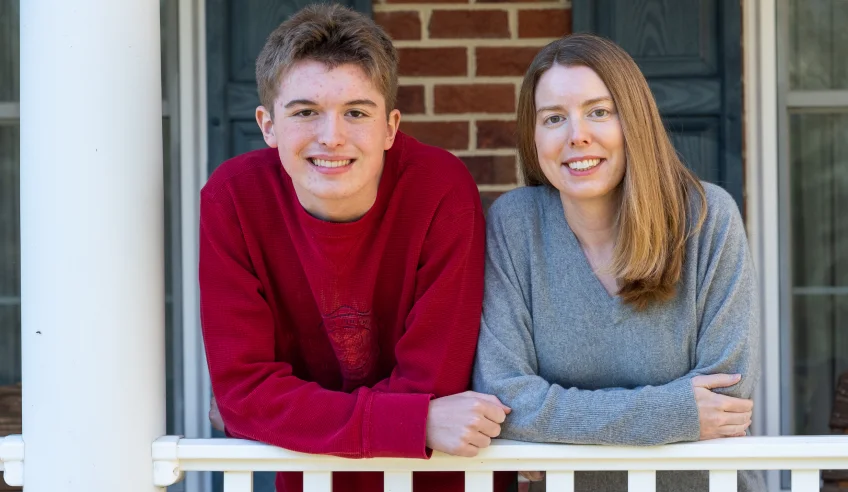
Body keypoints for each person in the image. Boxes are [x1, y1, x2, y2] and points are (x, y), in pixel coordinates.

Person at [199, 4, 513, 492]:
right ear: (267, 125)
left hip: (440, 477)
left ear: (390, 127)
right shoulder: (234, 199)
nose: (332, 137)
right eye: (305, 112)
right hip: (317, 481)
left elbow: (434, 382)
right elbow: (244, 393)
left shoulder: (439, 189)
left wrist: (292, 413)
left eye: (356, 113)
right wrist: (414, 421)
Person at [471, 33, 765, 491]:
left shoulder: (707, 219)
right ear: (533, 135)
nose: (577, 135)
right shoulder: (516, 224)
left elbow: (727, 401)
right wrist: (673, 412)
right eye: (553, 118)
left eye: (598, 111)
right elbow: (504, 400)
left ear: (635, 120)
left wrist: (556, 425)